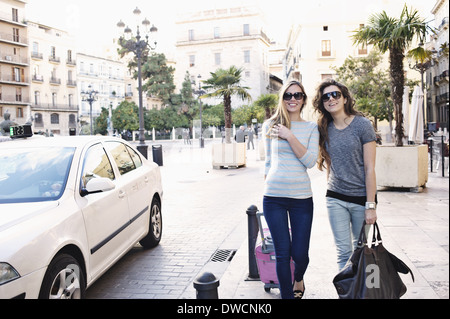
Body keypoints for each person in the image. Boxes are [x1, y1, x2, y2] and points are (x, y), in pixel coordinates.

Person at [262, 80, 319, 299]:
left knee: (300, 254)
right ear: (282, 99)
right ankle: (287, 296)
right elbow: (268, 161)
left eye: (297, 95)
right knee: (283, 254)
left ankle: (299, 278)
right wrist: (267, 184)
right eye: (288, 95)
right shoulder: (270, 125)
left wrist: (289, 135)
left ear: (303, 99)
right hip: (274, 197)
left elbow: (310, 161)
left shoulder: (311, 127)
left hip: (301, 199)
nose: (292, 99)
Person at [312, 79, 377, 270]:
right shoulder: (324, 128)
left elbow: (370, 168)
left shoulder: (363, 125)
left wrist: (370, 206)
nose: (331, 99)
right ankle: (346, 293)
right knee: (343, 253)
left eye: (335, 94)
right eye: (326, 97)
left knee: (362, 251)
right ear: (322, 103)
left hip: (361, 199)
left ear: (345, 98)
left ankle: (362, 292)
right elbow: (330, 163)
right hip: (335, 198)